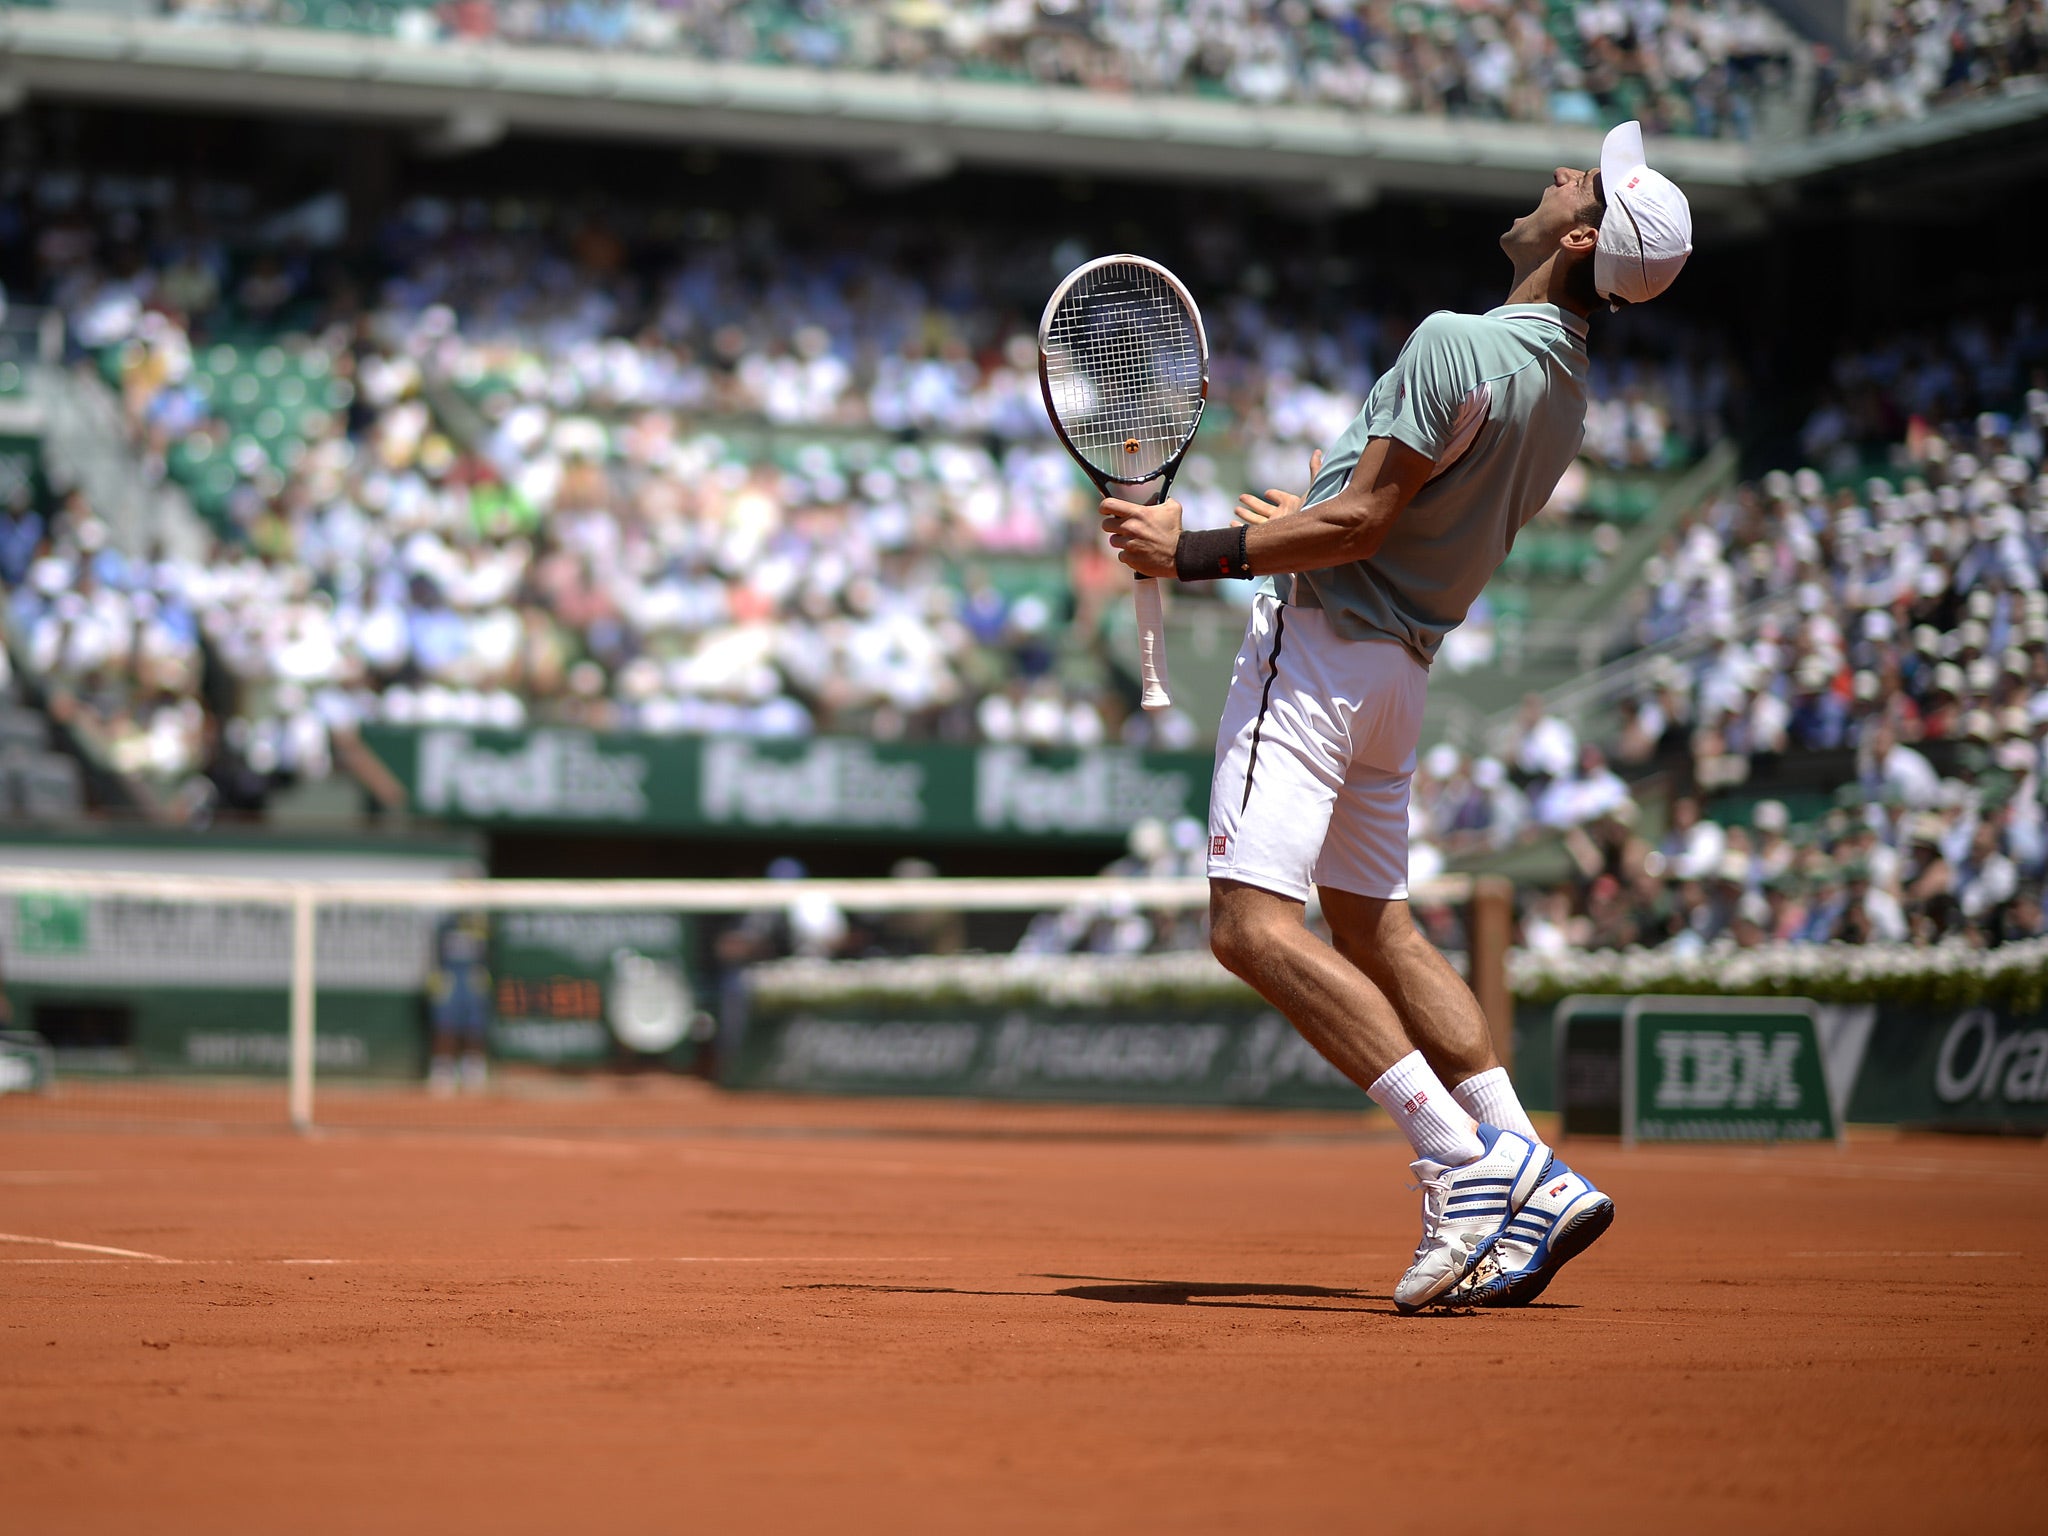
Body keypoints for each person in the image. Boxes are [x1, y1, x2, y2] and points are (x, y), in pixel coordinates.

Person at [1099, 122, 1691, 1312]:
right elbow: (1403, 519)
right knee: (1378, 929)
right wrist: (1300, 515)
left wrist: (1193, 548)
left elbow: (1365, 524)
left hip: (1318, 655)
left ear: (1579, 235)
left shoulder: (1454, 342)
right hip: (1397, 679)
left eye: (1580, 179)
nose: (1559, 173)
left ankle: (1457, 1159)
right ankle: (1530, 1164)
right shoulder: (1563, 392)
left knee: (1246, 929)